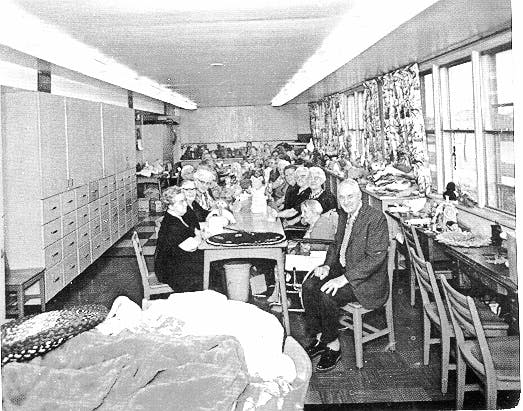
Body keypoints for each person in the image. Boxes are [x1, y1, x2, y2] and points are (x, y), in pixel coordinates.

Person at [301, 179, 389, 372]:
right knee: (308, 286)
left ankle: (333, 345)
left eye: (350, 196)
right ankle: (320, 338)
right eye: (342, 197)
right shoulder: (343, 215)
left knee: (327, 295)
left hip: (366, 280)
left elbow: (375, 259)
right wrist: (326, 266)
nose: (346, 201)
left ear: (360, 196)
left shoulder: (375, 218)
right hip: (343, 268)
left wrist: (343, 279)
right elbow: (335, 246)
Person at [154, 186, 205, 292]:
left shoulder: (180, 215)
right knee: (212, 270)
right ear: (170, 206)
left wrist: (197, 236)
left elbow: (195, 231)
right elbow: (192, 246)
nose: (186, 204)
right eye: (181, 202)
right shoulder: (172, 225)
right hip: (171, 271)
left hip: (179, 262)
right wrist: (198, 237)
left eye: (185, 200)